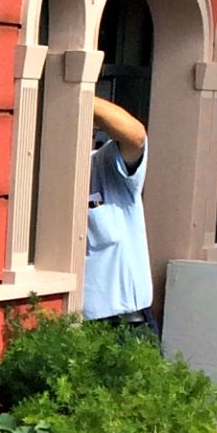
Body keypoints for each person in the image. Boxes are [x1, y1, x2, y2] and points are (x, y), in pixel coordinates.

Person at [81, 91, 152, 327]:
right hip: (73, 324)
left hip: (124, 325)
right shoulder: (43, 176)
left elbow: (135, 136)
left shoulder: (105, 163)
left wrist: (77, 93)